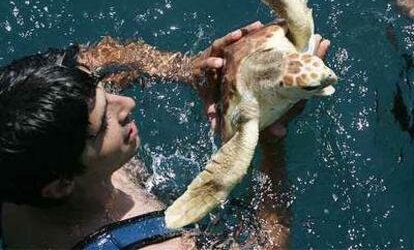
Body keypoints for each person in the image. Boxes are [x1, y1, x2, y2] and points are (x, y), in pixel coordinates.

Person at [0, 19, 330, 249]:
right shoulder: (164, 247)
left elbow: (94, 59)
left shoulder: (16, 148)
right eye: (104, 124)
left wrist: (184, 69)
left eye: (101, 90)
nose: (126, 103)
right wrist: (271, 140)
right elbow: (272, 244)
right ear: (60, 185)